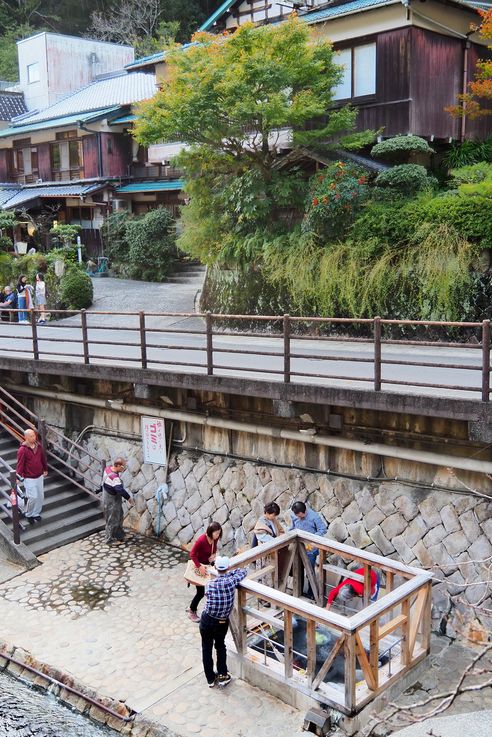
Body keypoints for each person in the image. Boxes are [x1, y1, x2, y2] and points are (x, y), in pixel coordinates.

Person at [200, 556, 248, 688]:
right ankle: (222, 675)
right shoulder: (231, 581)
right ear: (227, 568)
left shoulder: (209, 584)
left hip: (207, 619)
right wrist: (231, 572)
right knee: (220, 646)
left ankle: (210, 678)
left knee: (206, 648)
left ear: (215, 568)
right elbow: (243, 572)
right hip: (221, 622)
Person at [289, 501, 327, 599]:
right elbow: (292, 528)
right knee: (297, 568)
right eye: (297, 516)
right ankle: (298, 591)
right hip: (298, 546)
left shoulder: (314, 517)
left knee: (309, 570)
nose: (298, 518)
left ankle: (312, 593)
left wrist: (311, 538)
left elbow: (322, 529)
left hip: (310, 549)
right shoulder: (294, 516)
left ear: (304, 511)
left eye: (300, 516)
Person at [186, 521, 223, 623]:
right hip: (200, 568)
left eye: (219, 533)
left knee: (208, 590)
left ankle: (205, 609)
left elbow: (213, 551)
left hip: (207, 567)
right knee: (201, 592)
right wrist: (199, 566)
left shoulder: (214, 540)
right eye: (216, 533)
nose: (218, 535)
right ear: (210, 532)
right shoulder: (201, 540)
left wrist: (213, 557)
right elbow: (192, 554)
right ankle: (192, 610)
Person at [16, 428, 48, 524]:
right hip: (29, 478)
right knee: (33, 497)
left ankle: (36, 513)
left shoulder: (38, 446)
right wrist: (18, 476)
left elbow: (43, 458)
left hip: (39, 476)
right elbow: (20, 464)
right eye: (31, 436)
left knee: (40, 496)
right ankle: (29, 514)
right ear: (25, 437)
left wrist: (45, 469)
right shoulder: (22, 450)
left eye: (34, 435)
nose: (34, 437)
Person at [102, 457, 133, 545]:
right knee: (111, 519)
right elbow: (120, 490)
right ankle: (110, 539)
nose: (124, 469)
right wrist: (129, 498)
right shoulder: (114, 477)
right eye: (123, 467)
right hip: (111, 500)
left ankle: (120, 535)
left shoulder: (107, 469)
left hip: (112, 497)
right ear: (118, 465)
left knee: (119, 516)